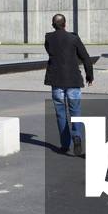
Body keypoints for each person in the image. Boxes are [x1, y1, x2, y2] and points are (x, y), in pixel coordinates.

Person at [43, 13, 94, 156]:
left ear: (53, 25)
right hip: (73, 80)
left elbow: (50, 51)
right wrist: (89, 76)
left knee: (60, 113)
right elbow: (86, 58)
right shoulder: (73, 38)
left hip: (56, 81)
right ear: (65, 24)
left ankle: (65, 144)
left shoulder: (48, 38)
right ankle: (76, 135)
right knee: (75, 111)